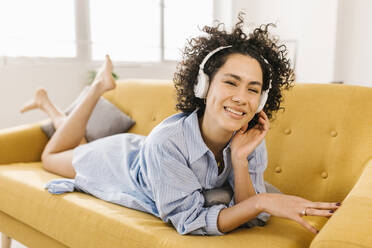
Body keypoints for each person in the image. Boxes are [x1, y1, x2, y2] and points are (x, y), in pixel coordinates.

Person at [20, 14, 341, 236]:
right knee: (53, 156)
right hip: (117, 162)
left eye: (253, 89)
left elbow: (248, 215)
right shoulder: (168, 142)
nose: (242, 98)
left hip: (147, 155)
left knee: (74, 145)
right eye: (231, 82)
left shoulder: (250, 135)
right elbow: (190, 221)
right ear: (203, 86)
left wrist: (240, 161)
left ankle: (47, 105)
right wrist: (262, 199)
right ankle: (97, 88)